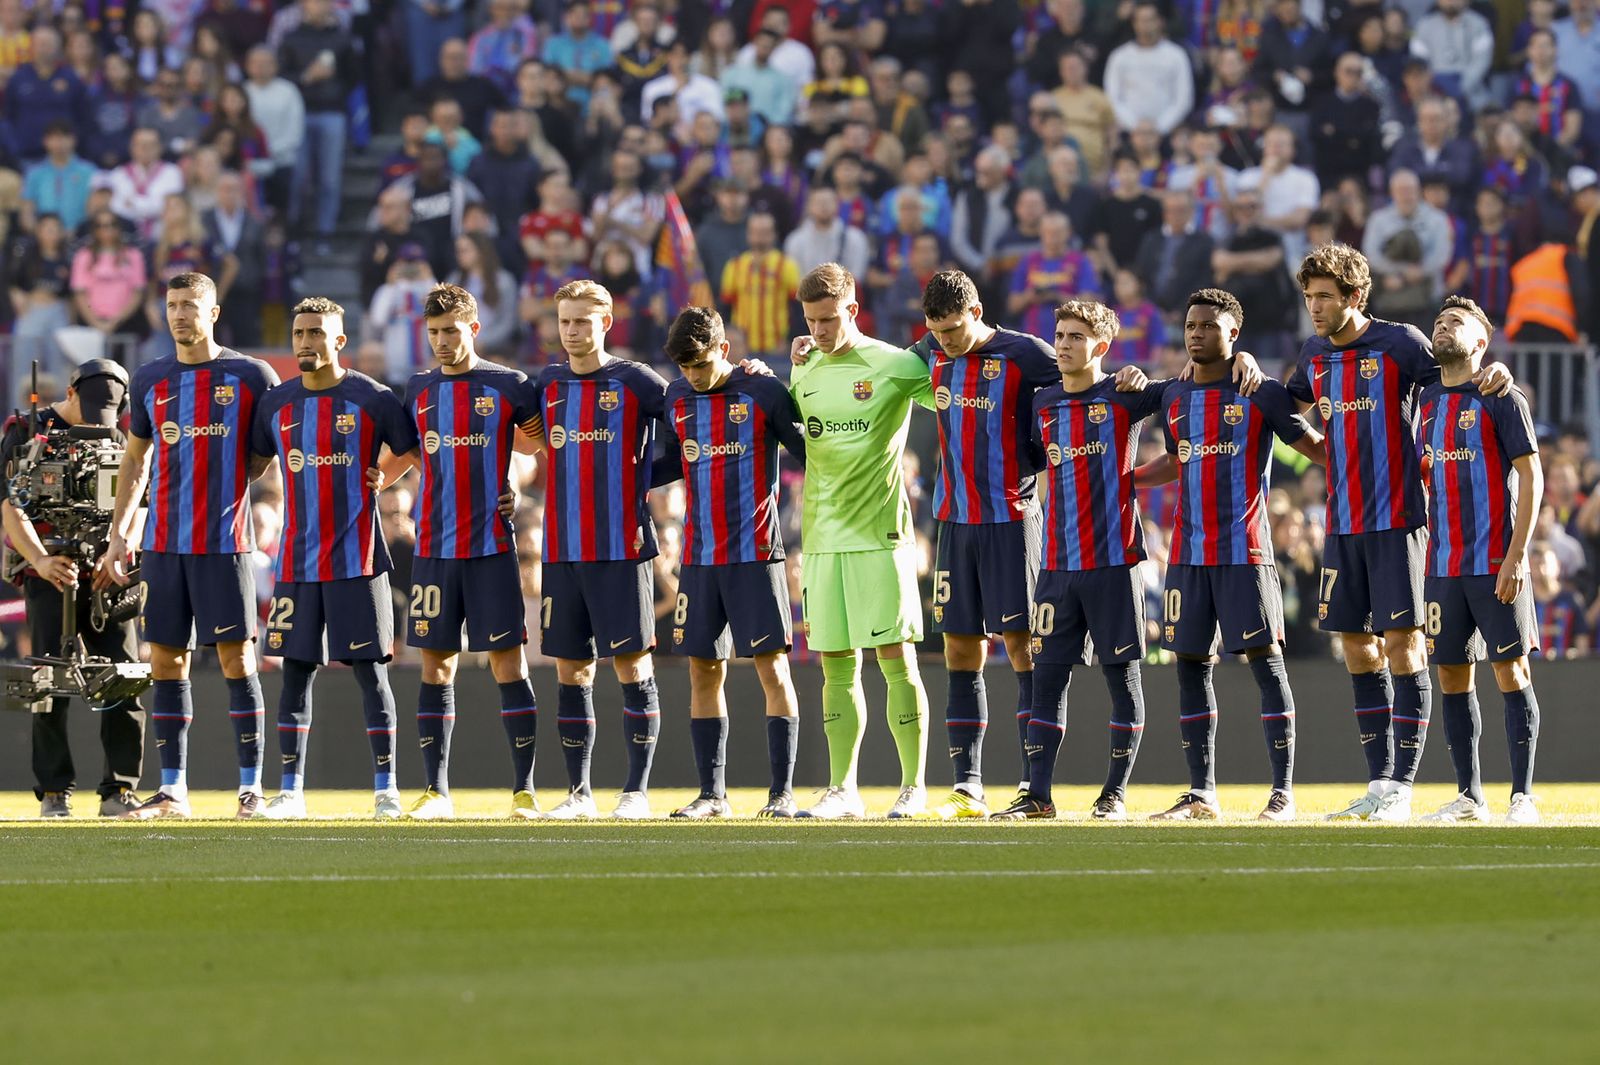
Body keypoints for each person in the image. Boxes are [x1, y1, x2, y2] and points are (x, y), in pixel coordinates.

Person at [1285, 243, 1511, 823]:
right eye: (1309, 296)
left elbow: (1458, 379)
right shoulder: (1313, 354)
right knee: (1358, 649)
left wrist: (1496, 371)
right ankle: (1380, 781)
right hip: (1341, 526)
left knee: (1403, 646)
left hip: (1399, 523)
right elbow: (1287, 411)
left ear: (1356, 297)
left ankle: (1403, 786)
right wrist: (1317, 449)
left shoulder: (1401, 343)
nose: (1315, 307)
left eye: (1325, 297)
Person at [1135, 289, 1326, 821]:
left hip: (1246, 552)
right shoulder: (1173, 397)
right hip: (1188, 558)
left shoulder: (1259, 393)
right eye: (1190, 324)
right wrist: (1127, 480)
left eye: (1208, 325)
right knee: (1191, 667)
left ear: (1233, 334)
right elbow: (1178, 460)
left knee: (1266, 666)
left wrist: (1374, 464)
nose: (1196, 333)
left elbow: (1312, 445)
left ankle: (1282, 793)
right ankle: (1201, 794)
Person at [98, 272, 281, 820]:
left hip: (225, 544)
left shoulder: (251, 374)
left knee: (236, 658)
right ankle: (173, 790)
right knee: (166, 662)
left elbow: (265, 450)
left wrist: (229, 485)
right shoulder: (151, 378)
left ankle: (249, 789)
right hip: (163, 546)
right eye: (172, 305)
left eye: (190, 305)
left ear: (214, 312)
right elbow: (136, 459)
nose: (179, 314)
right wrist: (119, 534)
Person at [249, 298, 418, 820]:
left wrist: (383, 476)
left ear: (339, 340)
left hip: (359, 559)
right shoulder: (276, 403)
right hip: (297, 564)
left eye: (316, 333)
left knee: (372, 674)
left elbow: (412, 447)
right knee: (295, 673)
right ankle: (290, 791)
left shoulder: (373, 398)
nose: (305, 342)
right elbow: (254, 461)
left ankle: (387, 788)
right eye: (299, 332)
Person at [379, 283, 542, 820]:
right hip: (433, 548)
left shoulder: (510, 385)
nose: (443, 341)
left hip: (492, 548)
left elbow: (538, 446)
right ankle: (436, 792)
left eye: (452, 331)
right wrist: (366, 484)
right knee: (436, 666)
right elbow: (404, 454)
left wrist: (515, 482)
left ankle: (524, 791)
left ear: (473, 328)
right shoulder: (419, 388)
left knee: (507, 664)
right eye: (434, 333)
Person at [785, 263, 934, 819]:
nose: (820, 331)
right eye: (811, 321)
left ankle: (912, 787)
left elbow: (960, 400)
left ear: (852, 309)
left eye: (829, 319)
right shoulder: (803, 368)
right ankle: (841, 789)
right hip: (822, 538)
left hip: (881, 535)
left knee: (896, 659)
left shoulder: (894, 365)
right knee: (835, 665)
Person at [526, 280, 672, 819]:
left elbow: (689, 425)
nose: (572, 331)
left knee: (631, 667)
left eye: (583, 321)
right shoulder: (548, 382)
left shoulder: (635, 381)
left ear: (606, 323)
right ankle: (579, 792)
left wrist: (639, 478)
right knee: (572, 670)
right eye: (564, 321)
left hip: (622, 547)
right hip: (563, 551)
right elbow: (516, 437)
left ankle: (635, 791)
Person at [656, 307, 807, 818]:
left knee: (773, 670)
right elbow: (669, 460)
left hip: (757, 555)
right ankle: (712, 795)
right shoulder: (676, 397)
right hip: (699, 560)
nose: (692, 377)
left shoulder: (761, 391)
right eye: (684, 367)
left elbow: (806, 452)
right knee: (703, 671)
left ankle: (781, 794)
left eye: (699, 364)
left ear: (724, 348)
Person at [1417, 297, 1545, 824]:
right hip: (1441, 566)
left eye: (1458, 323)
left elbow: (1533, 478)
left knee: (1511, 671)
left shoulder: (1501, 397)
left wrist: (1516, 558)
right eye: (1440, 322)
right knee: (1452, 676)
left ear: (1481, 343)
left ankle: (1523, 797)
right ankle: (1469, 796)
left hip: (1495, 562)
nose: (1444, 327)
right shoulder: (1425, 399)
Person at [0, 361, 144, 818]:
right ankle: (54, 791)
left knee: (124, 676)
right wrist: (41, 560)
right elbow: (10, 505)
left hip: (108, 571)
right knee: (47, 681)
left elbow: (141, 501)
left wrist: (120, 549)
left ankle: (119, 789)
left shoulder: (123, 438)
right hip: (49, 569)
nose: (96, 425)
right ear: (71, 392)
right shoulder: (26, 430)